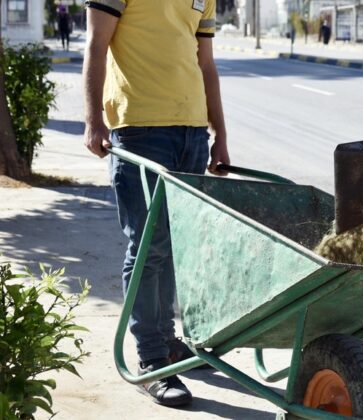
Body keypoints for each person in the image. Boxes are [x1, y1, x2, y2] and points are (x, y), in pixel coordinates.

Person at [82, 0, 230, 407]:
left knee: (173, 246)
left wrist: (220, 136)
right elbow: (96, 44)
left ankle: (168, 342)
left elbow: (206, 65)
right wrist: (93, 120)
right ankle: (150, 361)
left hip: (192, 133)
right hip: (141, 128)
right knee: (148, 247)